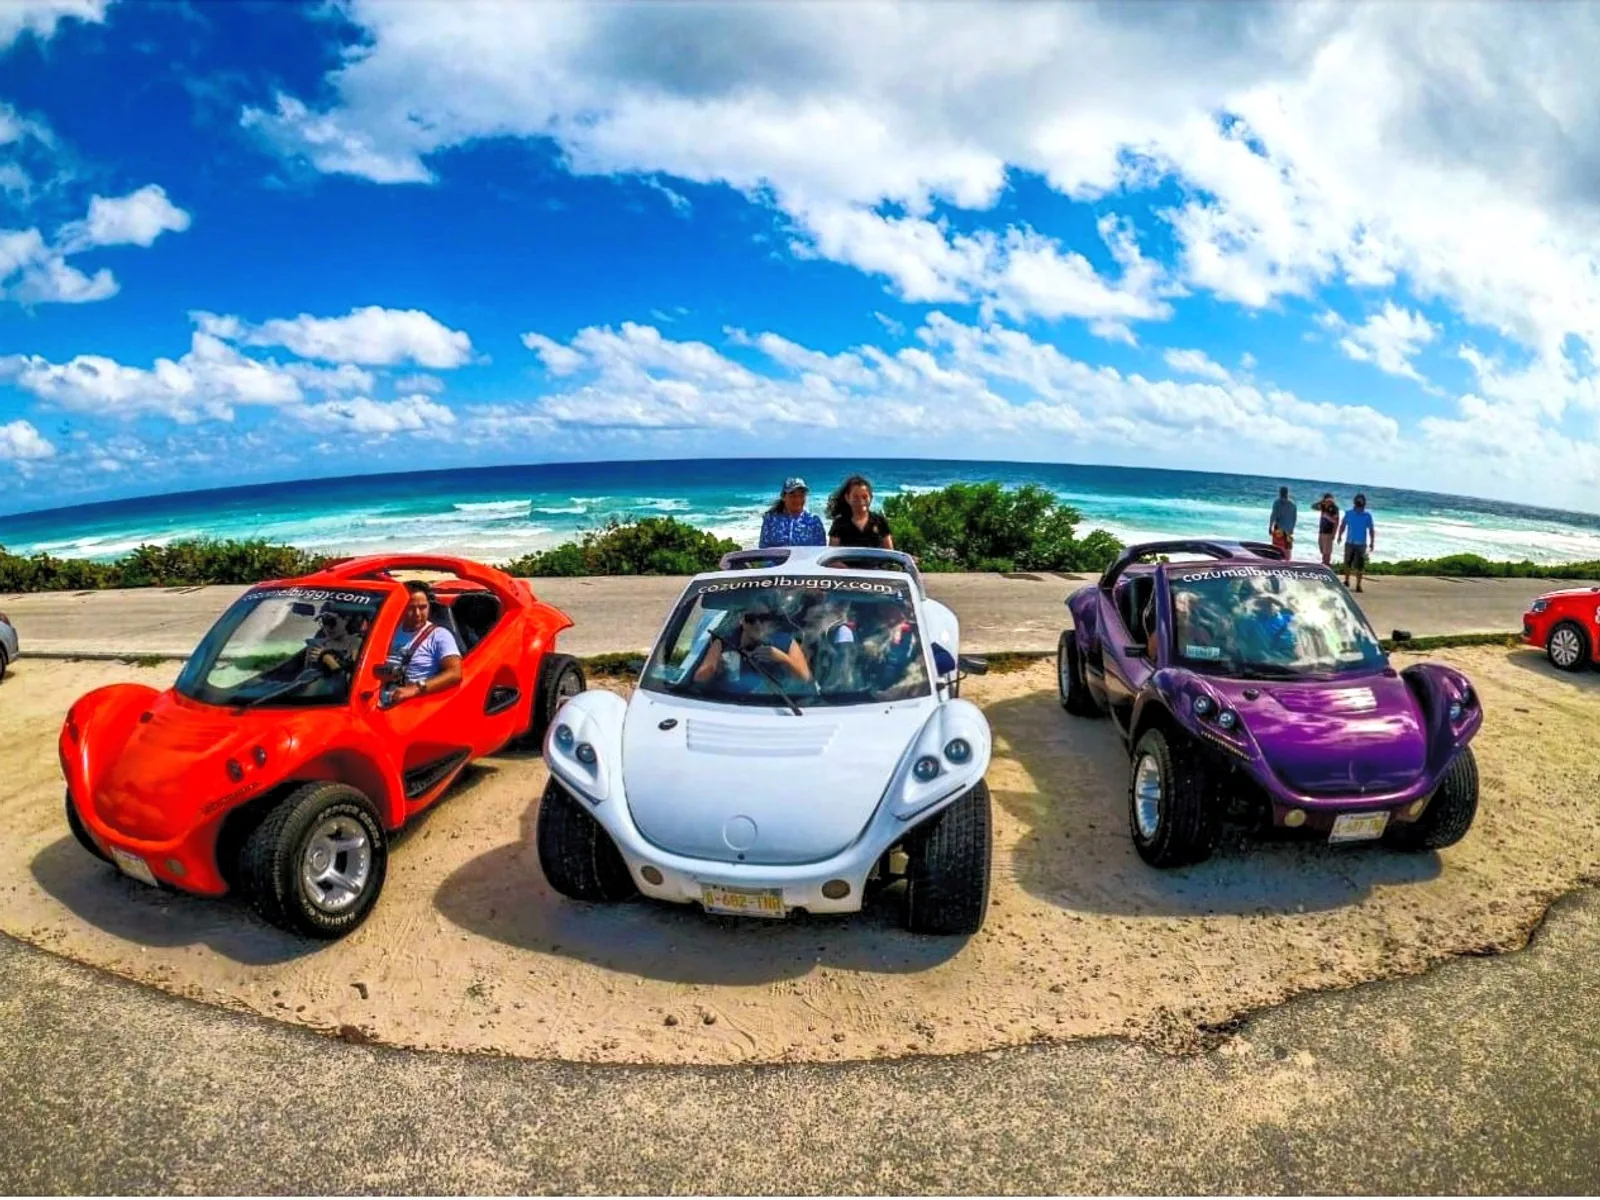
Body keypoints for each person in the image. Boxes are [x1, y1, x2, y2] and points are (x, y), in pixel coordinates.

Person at [693, 607, 813, 689]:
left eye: (764, 618)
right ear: (742, 620)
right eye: (751, 618)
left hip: (772, 703)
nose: (758, 624)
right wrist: (716, 670)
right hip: (727, 702)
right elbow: (700, 678)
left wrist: (783, 658)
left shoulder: (784, 641)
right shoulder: (724, 642)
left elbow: (805, 677)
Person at [383, 581, 462, 704]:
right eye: (411, 608)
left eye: (423, 607)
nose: (417, 614)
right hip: (379, 700)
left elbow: (455, 673)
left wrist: (415, 689)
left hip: (413, 703)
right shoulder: (388, 630)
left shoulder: (440, 635)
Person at [826, 474, 895, 549]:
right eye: (855, 497)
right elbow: (833, 555)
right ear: (847, 498)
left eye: (865, 497)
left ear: (871, 498)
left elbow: (890, 552)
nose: (861, 501)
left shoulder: (880, 522)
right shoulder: (839, 524)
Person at [758, 476, 826, 548]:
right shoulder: (771, 519)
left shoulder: (813, 521)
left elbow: (820, 550)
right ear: (783, 497)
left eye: (801, 495)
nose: (797, 499)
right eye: (793, 496)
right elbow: (763, 549)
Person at [304, 603, 366, 674]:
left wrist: (328, 659)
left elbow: (354, 678)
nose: (326, 628)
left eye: (331, 622)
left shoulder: (357, 643)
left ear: (347, 620)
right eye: (323, 622)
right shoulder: (321, 642)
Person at [1338, 493, 1377, 592]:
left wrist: (1372, 542)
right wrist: (1339, 535)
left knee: (1359, 565)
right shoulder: (1349, 513)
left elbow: (1371, 529)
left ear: (1364, 503)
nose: (1359, 503)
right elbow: (1343, 525)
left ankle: (1358, 585)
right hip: (1350, 541)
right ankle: (1347, 581)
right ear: (1354, 502)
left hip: (1361, 544)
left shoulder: (1367, 515)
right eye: (1358, 501)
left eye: (1361, 501)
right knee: (1347, 563)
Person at [1268, 485, 1298, 559]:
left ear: (1280, 493)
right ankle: (1287, 564)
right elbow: (1294, 518)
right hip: (1288, 530)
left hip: (1279, 528)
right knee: (1288, 549)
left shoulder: (1277, 502)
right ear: (1287, 493)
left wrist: (1270, 526)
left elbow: (1273, 515)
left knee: (1276, 548)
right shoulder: (1293, 504)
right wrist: (1292, 529)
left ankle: (1277, 564)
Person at [1315, 493, 1341, 567]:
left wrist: (1334, 534)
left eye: (1329, 499)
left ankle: (1326, 565)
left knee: (1327, 552)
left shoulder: (1335, 508)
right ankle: (1325, 563)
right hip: (1321, 531)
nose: (1328, 501)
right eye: (1326, 500)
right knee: (1322, 549)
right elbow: (1313, 507)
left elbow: (1336, 521)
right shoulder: (1323, 506)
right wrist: (1321, 502)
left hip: (1329, 532)